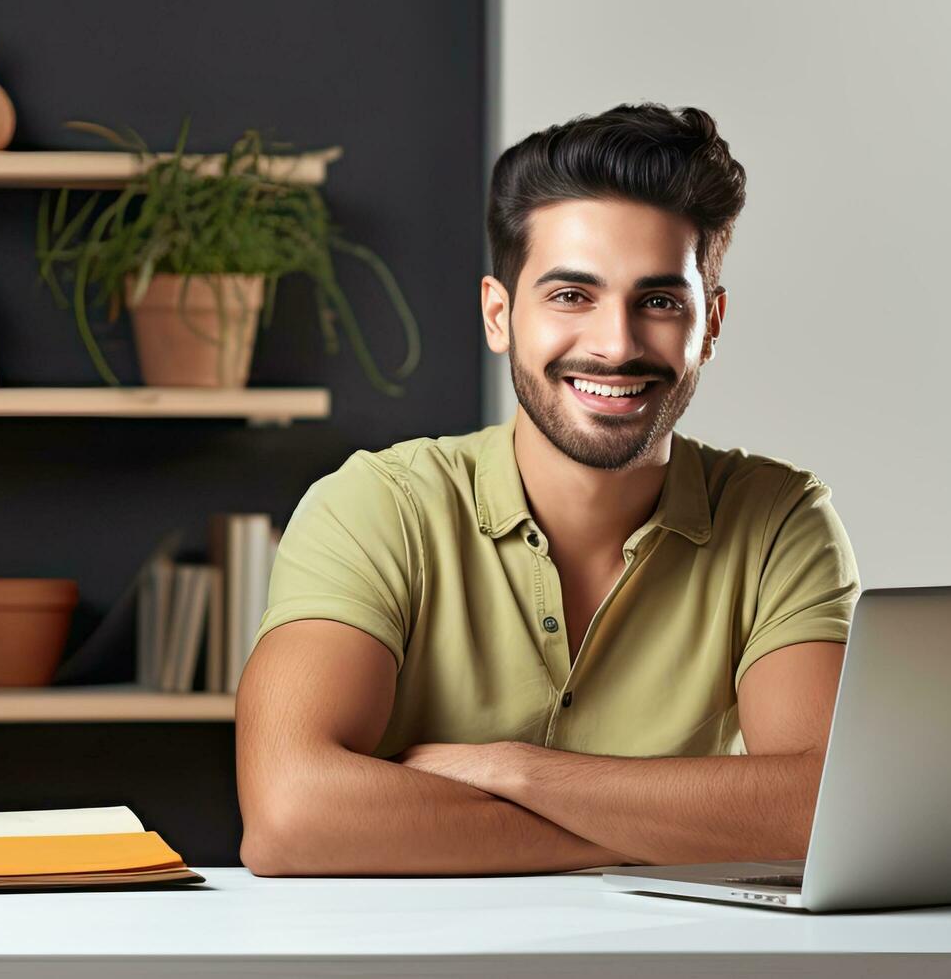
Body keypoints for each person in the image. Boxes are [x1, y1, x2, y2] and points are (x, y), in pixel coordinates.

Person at [235, 103, 859, 875]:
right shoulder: (377, 505)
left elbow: (827, 811)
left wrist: (513, 771)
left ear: (712, 324)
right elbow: (290, 816)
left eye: (660, 302)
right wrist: (667, 833)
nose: (615, 344)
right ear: (499, 315)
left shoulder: (779, 520)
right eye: (571, 296)